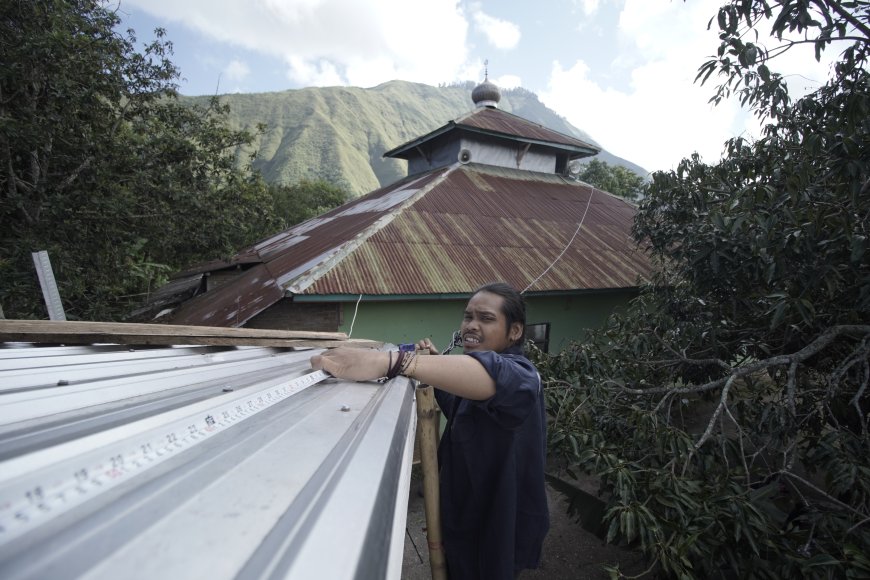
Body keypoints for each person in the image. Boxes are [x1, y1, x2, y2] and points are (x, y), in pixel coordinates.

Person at [310, 282, 549, 579]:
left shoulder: (523, 378)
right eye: (468, 316)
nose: (471, 326)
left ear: (514, 332)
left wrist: (393, 362)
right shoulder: (472, 380)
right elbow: (458, 402)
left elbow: (494, 374)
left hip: (496, 523)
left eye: (486, 319)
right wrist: (434, 365)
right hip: (462, 514)